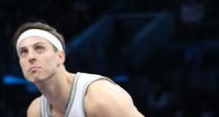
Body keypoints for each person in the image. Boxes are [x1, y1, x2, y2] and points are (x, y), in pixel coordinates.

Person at [12, 22, 145, 117]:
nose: (31, 57)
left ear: (60, 56)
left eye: (39, 48)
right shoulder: (36, 111)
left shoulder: (100, 96)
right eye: (23, 52)